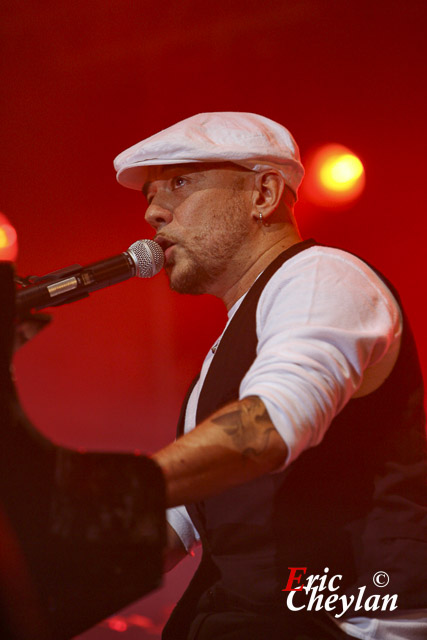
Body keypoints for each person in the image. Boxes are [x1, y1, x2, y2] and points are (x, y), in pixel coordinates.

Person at [114, 113, 427, 640]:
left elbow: (267, 429)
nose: (153, 213)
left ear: (263, 193)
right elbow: (176, 524)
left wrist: (116, 491)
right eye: (148, 195)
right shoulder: (232, 344)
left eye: (180, 183)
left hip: (348, 624)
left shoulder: (320, 275)